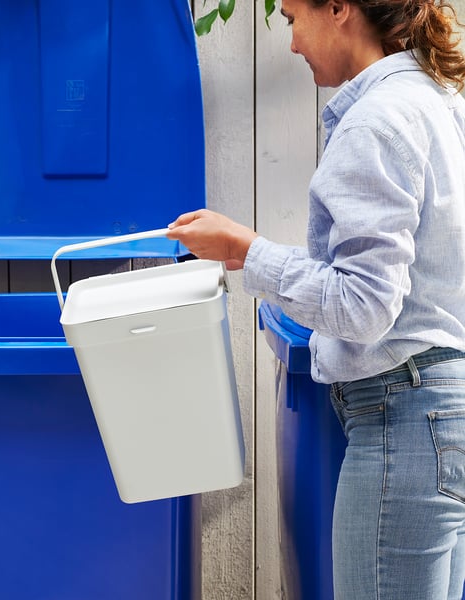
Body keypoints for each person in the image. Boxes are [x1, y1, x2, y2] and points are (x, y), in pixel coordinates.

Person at [167, 0, 465, 598]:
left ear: (337, 9)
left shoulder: (375, 122)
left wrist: (250, 251)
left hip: (400, 418)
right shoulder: (438, 104)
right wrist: (245, 251)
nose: (293, 43)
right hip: (443, 412)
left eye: (291, 18)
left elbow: (363, 307)